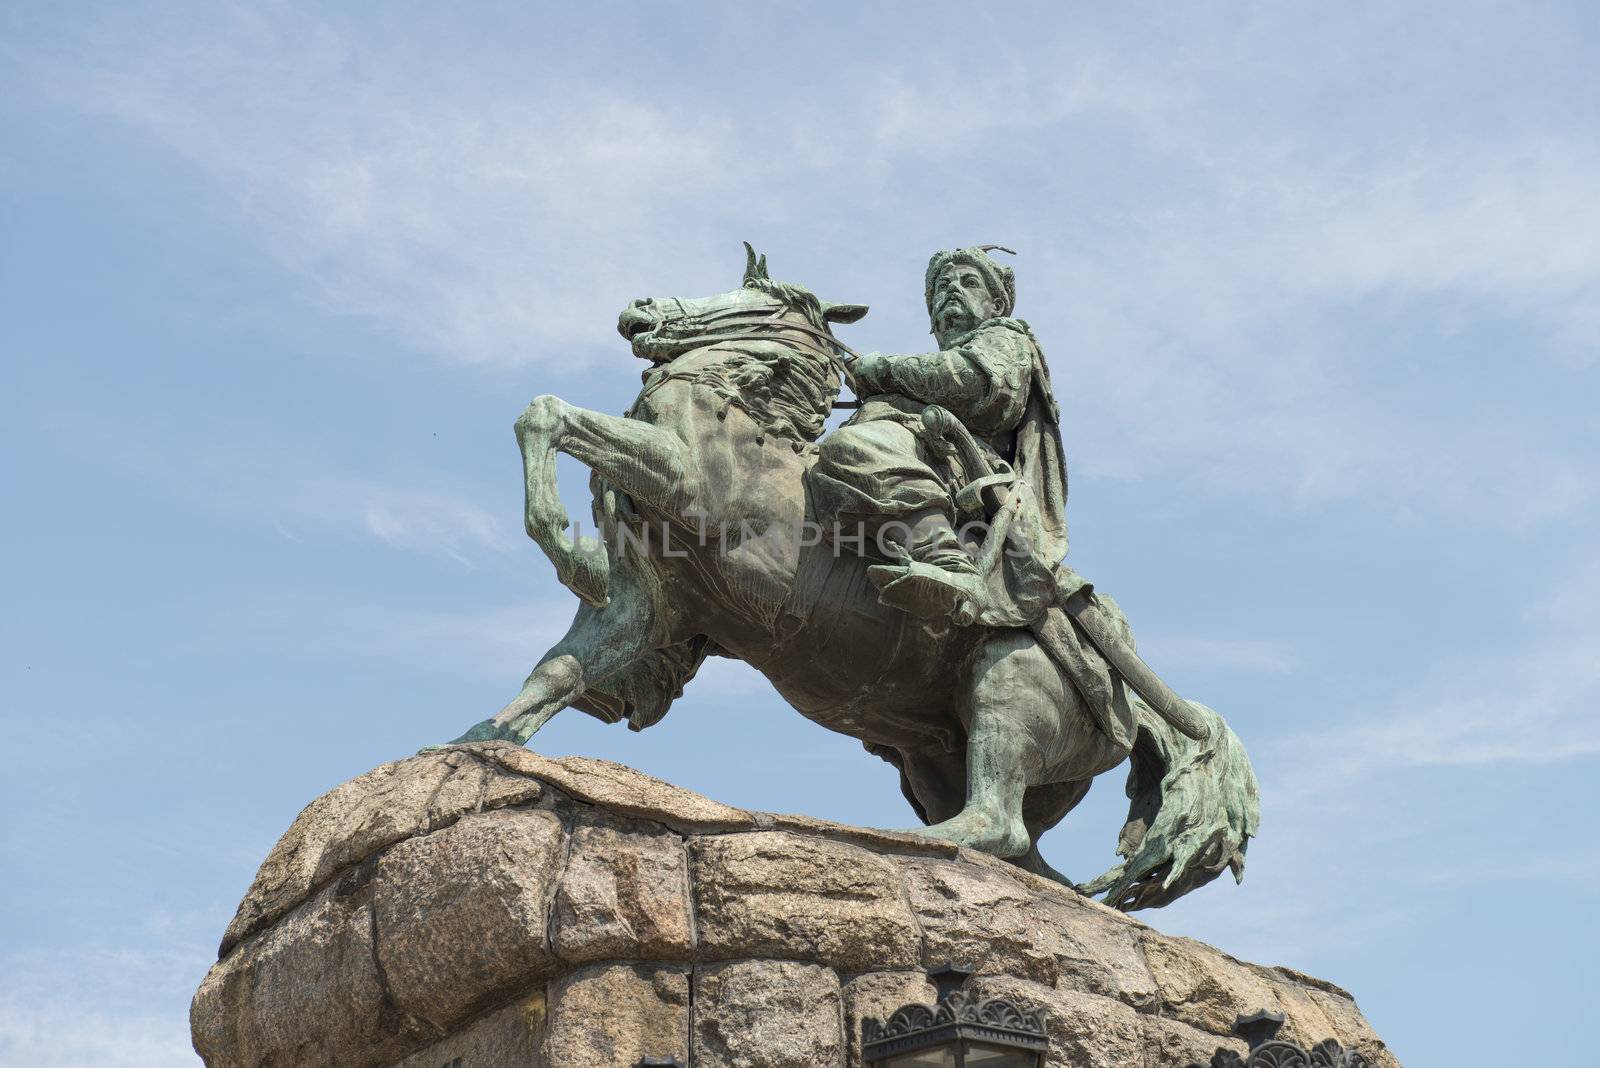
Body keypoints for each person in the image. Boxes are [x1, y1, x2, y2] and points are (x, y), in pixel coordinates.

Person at [811, 246, 1068, 620]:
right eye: (942, 286)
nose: (952, 291)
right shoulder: (921, 377)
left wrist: (882, 369)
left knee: (854, 446)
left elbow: (974, 381)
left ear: (995, 305)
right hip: (930, 451)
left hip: (966, 465)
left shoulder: (1005, 336)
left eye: (969, 282)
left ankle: (948, 561)